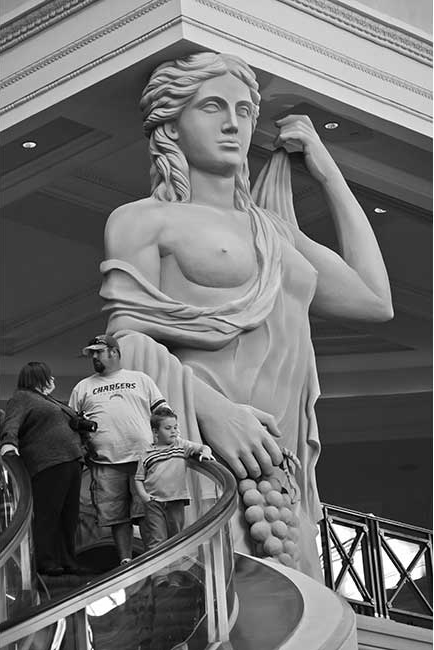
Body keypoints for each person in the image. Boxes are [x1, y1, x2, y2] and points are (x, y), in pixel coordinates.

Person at [98, 52, 393, 579]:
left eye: (244, 110)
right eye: (212, 106)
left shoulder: (274, 232)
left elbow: (374, 298)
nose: (233, 123)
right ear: (170, 123)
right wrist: (212, 410)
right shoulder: (144, 221)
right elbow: (124, 344)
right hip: (208, 452)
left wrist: (326, 170)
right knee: (227, 608)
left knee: (299, 605)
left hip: (280, 474)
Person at [69, 334, 169, 565]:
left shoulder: (140, 379)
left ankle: (157, 563)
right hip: (105, 462)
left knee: (149, 512)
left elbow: (162, 411)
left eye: (98, 352)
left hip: (142, 459)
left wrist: (169, 443)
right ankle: (126, 561)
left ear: (113, 352)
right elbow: (71, 422)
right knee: (116, 516)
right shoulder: (83, 387)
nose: (94, 356)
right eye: (92, 353)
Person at [0, 362, 85, 576]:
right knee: (49, 513)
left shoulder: (50, 401)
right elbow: (11, 423)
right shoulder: (22, 397)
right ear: (38, 377)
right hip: (47, 461)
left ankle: (68, 560)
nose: (54, 380)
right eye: (49, 376)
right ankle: (45, 560)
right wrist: (8, 443)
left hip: (71, 460)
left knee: (69, 515)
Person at [135, 407, 213, 552]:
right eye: (168, 428)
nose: (173, 431)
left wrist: (206, 453)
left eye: (175, 427)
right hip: (154, 502)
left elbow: (203, 447)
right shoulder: (146, 454)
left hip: (176, 500)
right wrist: (145, 497)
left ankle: (174, 570)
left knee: (175, 538)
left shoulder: (181, 446)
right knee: (157, 539)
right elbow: (138, 479)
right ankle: (159, 574)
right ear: (155, 432)